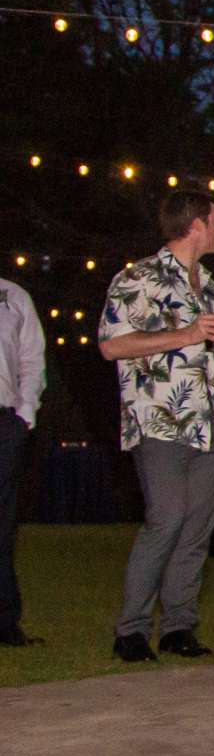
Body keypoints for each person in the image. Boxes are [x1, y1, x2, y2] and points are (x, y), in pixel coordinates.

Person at [97, 191, 214, 663]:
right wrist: (185, 335)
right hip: (161, 422)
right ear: (197, 225)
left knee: (197, 528)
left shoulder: (211, 284)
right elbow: (111, 346)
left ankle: (179, 627)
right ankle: (131, 630)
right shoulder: (138, 278)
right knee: (167, 520)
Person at [0, 271, 43, 647]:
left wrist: (24, 413)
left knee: (2, 523)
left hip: (4, 421)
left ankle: (5, 622)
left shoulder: (12, 295)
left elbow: (31, 358)